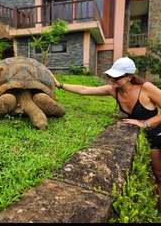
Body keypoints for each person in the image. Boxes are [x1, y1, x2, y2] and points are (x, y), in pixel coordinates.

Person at [49, 56, 161, 211]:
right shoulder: (113, 90)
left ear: (129, 77)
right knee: (155, 174)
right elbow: (85, 90)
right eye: (110, 76)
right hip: (146, 135)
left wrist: (144, 123)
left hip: (158, 133)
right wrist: (59, 84)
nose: (111, 80)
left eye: (115, 77)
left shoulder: (146, 88)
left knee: (159, 175)